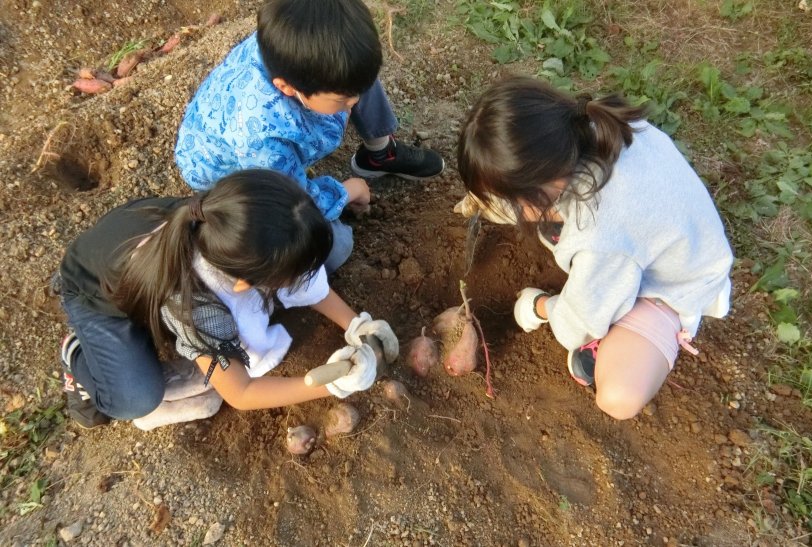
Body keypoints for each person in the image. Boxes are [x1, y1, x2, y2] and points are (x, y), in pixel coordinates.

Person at [455, 76, 733, 420]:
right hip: (662, 238)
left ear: (537, 183)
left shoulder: (600, 234)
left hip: (673, 284)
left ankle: (630, 340)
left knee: (618, 396)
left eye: (512, 197)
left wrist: (539, 306)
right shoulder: (588, 126)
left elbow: (578, 323)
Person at [56, 169, 399, 430]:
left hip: (131, 248)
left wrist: (356, 323)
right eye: (286, 279)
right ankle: (77, 354)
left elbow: (304, 283)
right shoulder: (194, 305)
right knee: (136, 400)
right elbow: (242, 392)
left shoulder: (236, 221)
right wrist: (332, 385)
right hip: (94, 294)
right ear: (244, 283)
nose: (300, 279)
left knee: (323, 256)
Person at [174, 0, 445, 273]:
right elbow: (294, 204)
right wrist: (349, 190)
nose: (355, 102)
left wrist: (346, 97)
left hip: (279, 126)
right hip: (236, 177)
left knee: (355, 76)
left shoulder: (293, 47)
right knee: (335, 247)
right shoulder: (261, 140)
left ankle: (380, 154)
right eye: (342, 100)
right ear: (287, 87)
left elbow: (347, 86)